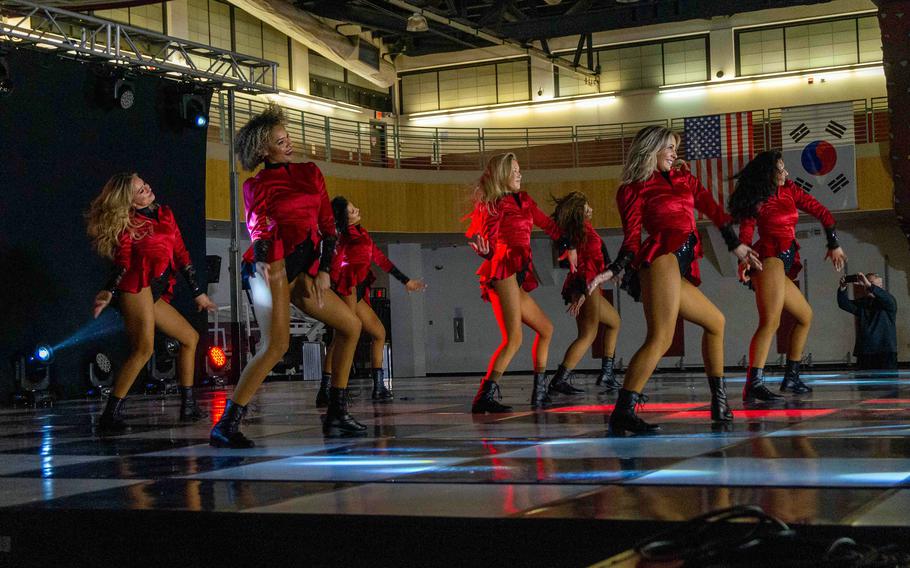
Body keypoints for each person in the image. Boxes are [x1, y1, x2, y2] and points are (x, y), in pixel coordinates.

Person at [587, 126, 760, 434]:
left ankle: (718, 402)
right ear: (651, 149)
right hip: (661, 258)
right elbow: (631, 239)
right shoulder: (633, 188)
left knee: (716, 322)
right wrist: (613, 269)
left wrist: (736, 246)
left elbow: (713, 209)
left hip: (681, 260)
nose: (674, 153)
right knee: (661, 338)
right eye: (668, 147)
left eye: (675, 148)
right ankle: (623, 411)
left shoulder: (684, 178)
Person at [210, 104, 364, 447]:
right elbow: (258, 225)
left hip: (304, 268)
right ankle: (227, 424)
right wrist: (264, 259)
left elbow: (327, 226)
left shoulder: (310, 173)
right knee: (276, 344)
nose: (289, 143)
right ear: (264, 149)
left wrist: (324, 270)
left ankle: (336, 413)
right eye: (281, 141)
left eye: (288, 137)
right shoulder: (256, 184)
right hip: (269, 268)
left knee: (351, 326)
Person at [87, 172, 217, 434]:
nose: (147, 188)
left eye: (144, 183)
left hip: (155, 290)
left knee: (190, 337)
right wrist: (108, 291)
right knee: (143, 349)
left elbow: (181, 254)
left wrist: (197, 293)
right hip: (135, 287)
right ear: (130, 202)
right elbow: (122, 263)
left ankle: (188, 406)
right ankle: (110, 415)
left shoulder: (165, 214)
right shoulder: (129, 225)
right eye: (139, 190)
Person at [728, 150, 846, 402]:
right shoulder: (757, 199)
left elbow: (823, 213)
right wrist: (744, 260)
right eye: (781, 169)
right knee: (770, 321)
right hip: (767, 259)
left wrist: (833, 243)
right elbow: (747, 234)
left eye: (784, 169)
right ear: (768, 173)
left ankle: (791, 376)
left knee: (805, 316)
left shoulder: (791, 190)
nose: (786, 173)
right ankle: (754, 383)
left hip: (784, 260)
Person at [465, 152, 576, 412]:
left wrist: (568, 245)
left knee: (546, 329)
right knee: (514, 339)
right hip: (502, 270)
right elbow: (487, 240)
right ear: (502, 175)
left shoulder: (524, 201)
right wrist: (487, 253)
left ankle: (539, 392)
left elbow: (549, 225)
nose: (519, 174)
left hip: (516, 274)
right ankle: (484, 396)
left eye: (519, 170)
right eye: (514, 171)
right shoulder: (495, 205)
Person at [317, 196, 427, 406]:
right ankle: (331, 389)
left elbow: (379, 258)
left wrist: (406, 281)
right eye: (351, 210)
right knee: (344, 336)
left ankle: (378, 385)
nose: (357, 210)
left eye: (354, 207)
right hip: (346, 288)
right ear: (343, 218)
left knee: (378, 333)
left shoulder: (362, 234)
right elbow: (334, 263)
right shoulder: (344, 238)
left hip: (357, 290)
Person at [552, 191, 622, 396]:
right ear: (578, 211)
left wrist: (610, 273)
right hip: (586, 285)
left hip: (589, 285)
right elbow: (585, 266)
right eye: (586, 206)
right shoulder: (581, 232)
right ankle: (560, 379)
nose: (591, 208)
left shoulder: (584, 230)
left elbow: (598, 257)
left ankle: (607, 373)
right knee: (588, 335)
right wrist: (583, 294)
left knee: (614, 322)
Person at [838, 272, 897, 371]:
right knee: (864, 384)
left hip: (885, 352)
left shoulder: (889, 302)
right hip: (865, 351)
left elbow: (886, 298)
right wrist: (843, 288)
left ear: (880, 286)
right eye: (865, 282)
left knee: (888, 384)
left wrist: (869, 285)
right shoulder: (863, 303)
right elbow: (844, 304)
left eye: (871, 283)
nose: (866, 285)